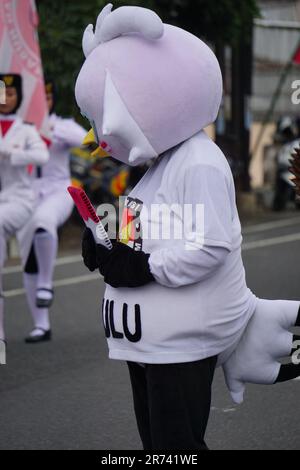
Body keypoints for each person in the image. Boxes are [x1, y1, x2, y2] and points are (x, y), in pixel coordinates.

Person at [76, 4, 300, 450]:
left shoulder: (198, 162)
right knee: (159, 446)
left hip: (178, 349)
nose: (101, 136)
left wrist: (146, 268)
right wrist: (103, 236)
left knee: (176, 448)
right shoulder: (158, 163)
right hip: (149, 348)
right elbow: (149, 224)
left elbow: (209, 244)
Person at [18, 80, 86, 343]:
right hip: (26, 196)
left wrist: (52, 129)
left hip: (58, 192)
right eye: (38, 97)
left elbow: (84, 140)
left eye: (47, 96)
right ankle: (41, 325)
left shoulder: (62, 125)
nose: (43, 101)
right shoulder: (18, 128)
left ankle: (47, 284)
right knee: (27, 262)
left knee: (44, 222)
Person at [0, 73, 48, 345]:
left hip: (21, 199)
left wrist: (10, 154)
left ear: (19, 96)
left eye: (11, 92)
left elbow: (41, 155)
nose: (5, 98)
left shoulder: (27, 129)